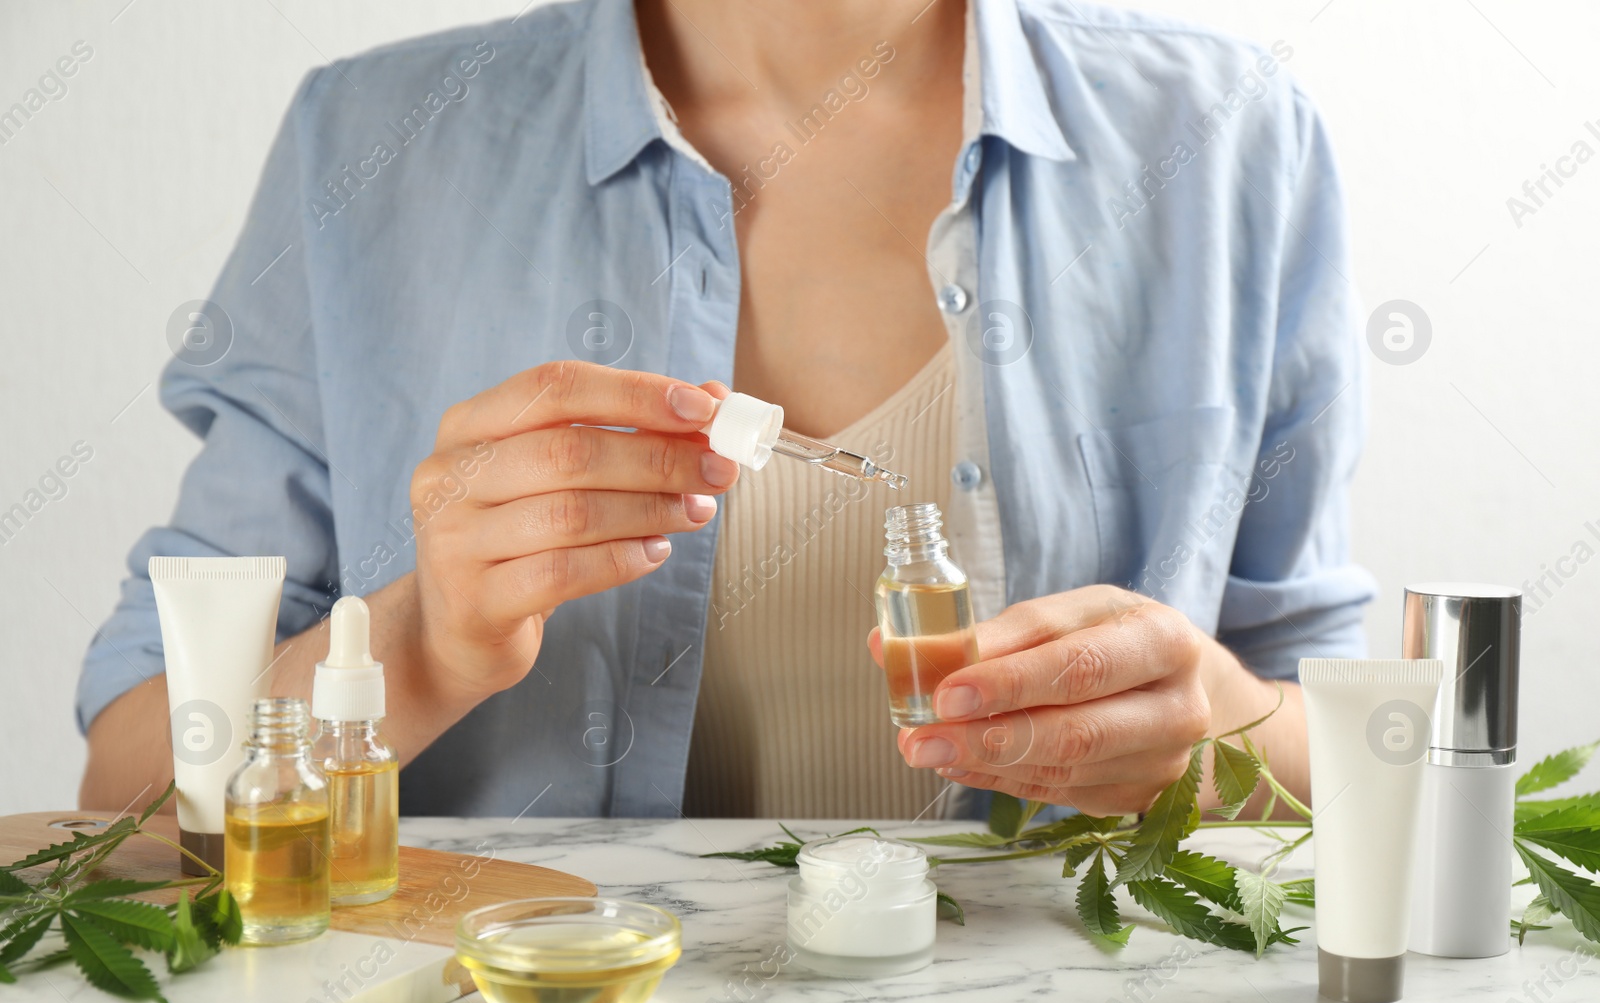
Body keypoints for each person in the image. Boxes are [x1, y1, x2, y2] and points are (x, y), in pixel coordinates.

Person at [76, 0, 1373, 823]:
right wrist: (419, 647)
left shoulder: (1224, 141)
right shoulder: (376, 149)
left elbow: (1362, 764)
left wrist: (1217, 730)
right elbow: (128, 789)